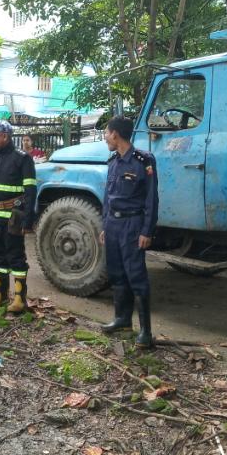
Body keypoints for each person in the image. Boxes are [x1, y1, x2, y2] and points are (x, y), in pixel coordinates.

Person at [99, 116, 158, 348]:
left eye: (106, 133)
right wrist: (104, 226)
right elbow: (108, 197)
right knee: (116, 273)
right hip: (113, 225)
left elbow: (151, 199)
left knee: (136, 276)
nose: (105, 137)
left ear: (115, 134)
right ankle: (122, 320)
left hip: (132, 225)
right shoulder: (113, 162)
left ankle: (146, 332)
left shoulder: (144, 160)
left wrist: (147, 231)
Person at [0, 120, 37, 313]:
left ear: (4, 136)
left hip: (12, 219)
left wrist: (28, 220)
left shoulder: (22, 158)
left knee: (16, 257)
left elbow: (30, 191)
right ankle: (1, 295)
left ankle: (20, 299)